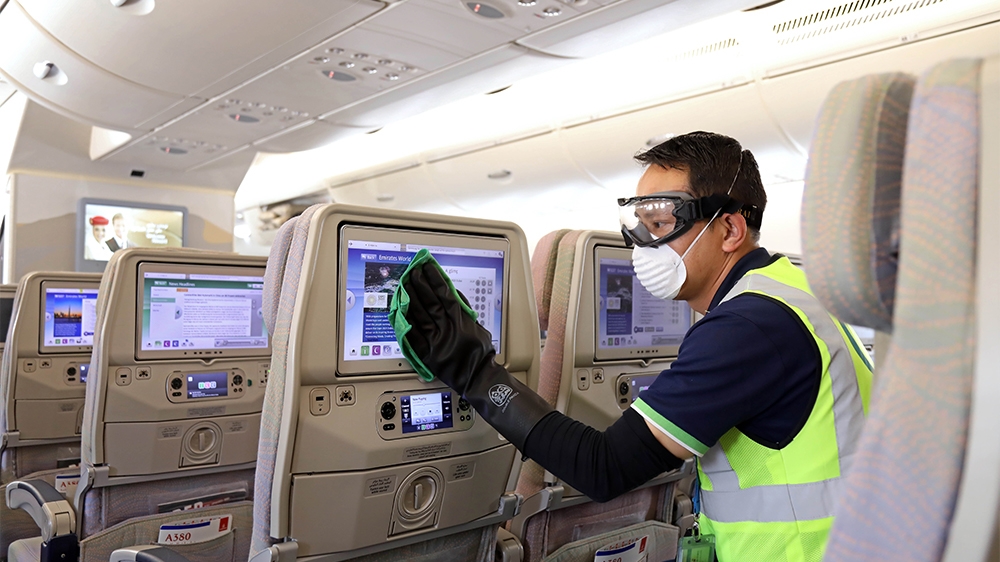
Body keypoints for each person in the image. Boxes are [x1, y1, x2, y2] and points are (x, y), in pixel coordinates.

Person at [399, 131, 873, 562]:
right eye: (640, 222)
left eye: (663, 222)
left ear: (729, 230)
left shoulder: (749, 326)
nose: (644, 244)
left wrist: (472, 370)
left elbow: (604, 467)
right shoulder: (794, 288)